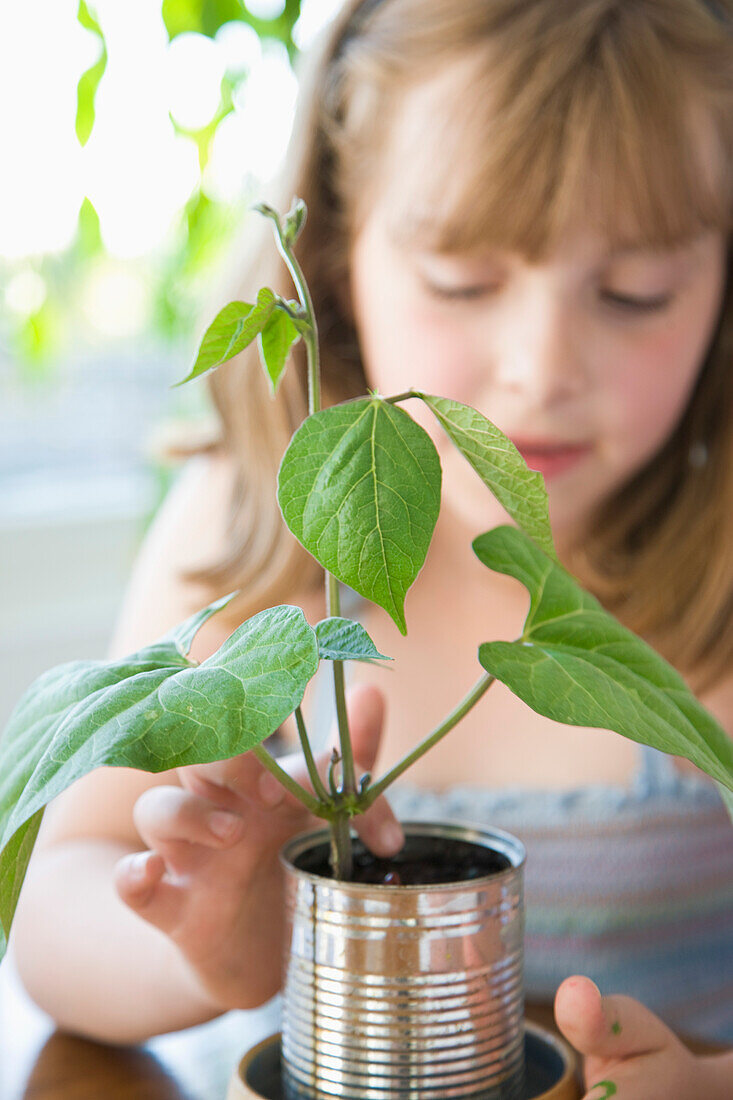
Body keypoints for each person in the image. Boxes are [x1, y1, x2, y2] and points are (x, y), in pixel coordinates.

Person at [10, 0, 733, 1094]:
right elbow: (55, 907)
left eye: (635, 293)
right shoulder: (243, 528)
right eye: (462, 280)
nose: (540, 367)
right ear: (338, 248)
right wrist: (203, 941)